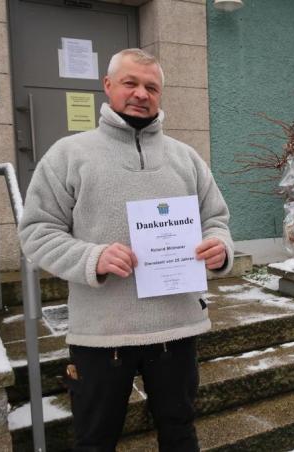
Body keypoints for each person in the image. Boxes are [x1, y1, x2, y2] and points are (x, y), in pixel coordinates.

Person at [18, 48, 233, 452]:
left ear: (160, 94)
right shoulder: (69, 155)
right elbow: (36, 231)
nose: (141, 94)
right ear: (108, 86)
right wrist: (90, 258)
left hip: (176, 327)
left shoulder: (185, 157)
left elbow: (216, 219)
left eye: (151, 87)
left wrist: (220, 247)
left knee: (180, 431)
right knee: (95, 440)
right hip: (102, 334)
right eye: (130, 83)